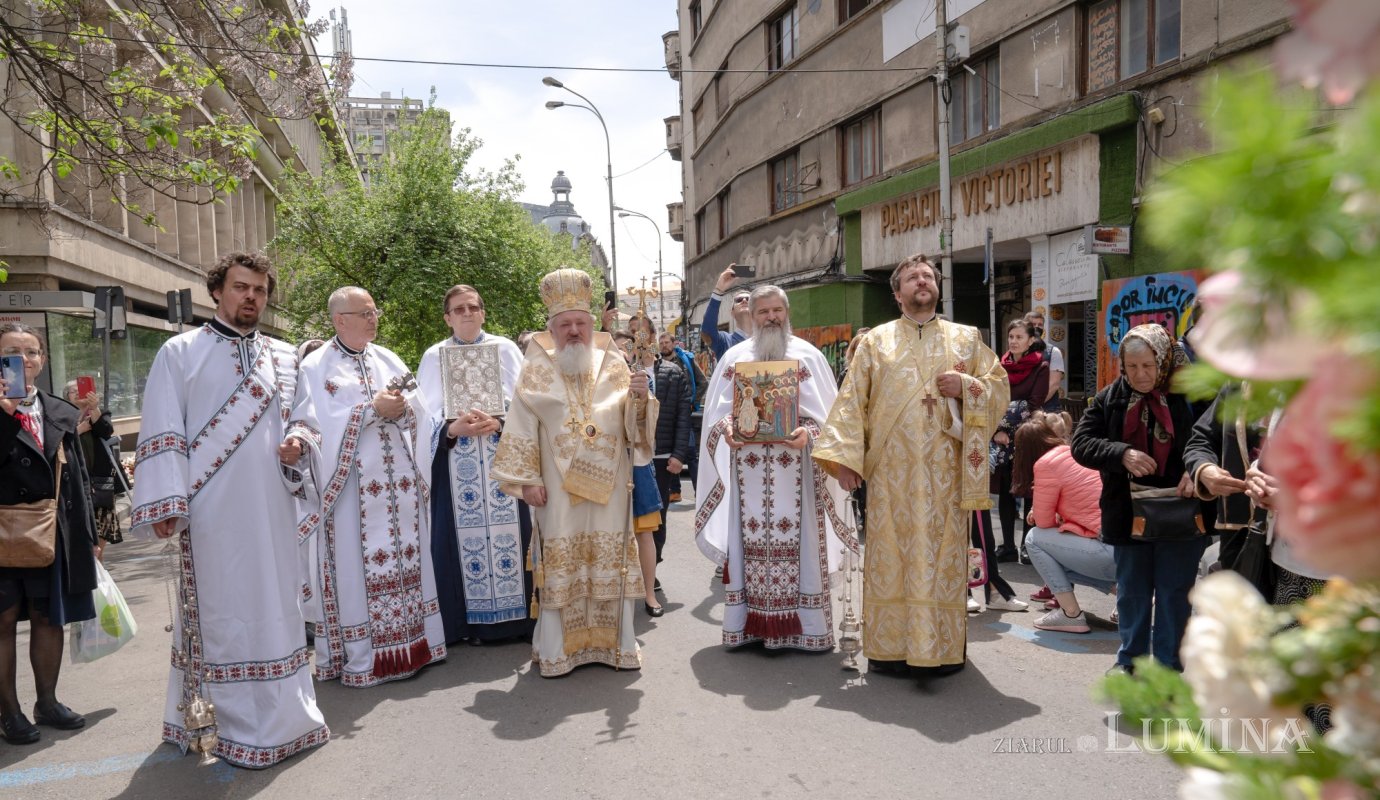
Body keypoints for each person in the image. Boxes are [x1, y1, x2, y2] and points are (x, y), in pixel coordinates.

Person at [132, 252, 327, 767]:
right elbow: (163, 427)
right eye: (241, 287)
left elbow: (307, 419)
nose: (251, 297)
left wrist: (298, 442)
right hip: (211, 514)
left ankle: (288, 718)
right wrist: (168, 501)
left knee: (278, 607)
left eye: (260, 290)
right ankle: (220, 723)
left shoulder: (285, 357)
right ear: (217, 290)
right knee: (221, 611)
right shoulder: (180, 352)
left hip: (274, 509)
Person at [814, 254, 1008, 676]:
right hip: (890, 477)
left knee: (941, 559)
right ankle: (889, 652)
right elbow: (852, 401)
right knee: (892, 559)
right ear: (898, 293)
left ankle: (942, 650)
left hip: (946, 477)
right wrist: (847, 460)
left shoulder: (967, 339)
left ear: (937, 287)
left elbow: (998, 387)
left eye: (928, 276)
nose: (922, 281)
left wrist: (967, 386)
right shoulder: (875, 342)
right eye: (912, 278)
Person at [490, 268, 657, 677]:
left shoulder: (614, 363)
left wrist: (641, 400)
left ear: (591, 324)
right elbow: (522, 424)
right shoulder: (536, 367)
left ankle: (616, 645)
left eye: (580, 322)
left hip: (610, 487)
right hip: (557, 489)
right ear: (551, 329)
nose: (574, 331)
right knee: (562, 562)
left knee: (609, 559)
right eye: (565, 324)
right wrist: (528, 481)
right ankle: (557, 651)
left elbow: (633, 429)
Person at [281, 287, 445, 686]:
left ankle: (414, 646)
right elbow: (311, 425)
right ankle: (365, 658)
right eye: (365, 313)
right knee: (355, 571)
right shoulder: (316, 367)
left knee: (408, 562)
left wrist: (402, 410)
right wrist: (371, 411)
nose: (374, 319)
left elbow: (422, 413)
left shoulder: (388, 358)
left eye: (375, 312)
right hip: (351, 493)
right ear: (340, 320)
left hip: (400, 490)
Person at [695, 285, 856, 652]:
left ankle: (806, 629)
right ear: (751, 316)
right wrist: (728, 430)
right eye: (763, 312)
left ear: (787, 313)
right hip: (748, 475)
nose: (771, 317)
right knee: (747, 544)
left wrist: (810, 433)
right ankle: (749, 627)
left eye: (776, 311)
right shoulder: (734, 359)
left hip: (800, 473)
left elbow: (831, 418)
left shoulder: (809, 357)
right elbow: (716, 416)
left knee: (803, 547)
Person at [1072, 323, 1208, 674]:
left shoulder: (1193, 395)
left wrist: (1197, 469)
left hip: (1181, 510)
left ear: (1162, 361)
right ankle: (1129, 660)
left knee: (1174, 593)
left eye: (1148, 365)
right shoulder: (1111, 397)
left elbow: (1213, 438)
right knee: (1132, 592)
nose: (1140, 374)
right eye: (1131, 366)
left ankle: (1167, 667)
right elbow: (1081, 443)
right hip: (1128, 512)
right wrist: (1121, 453)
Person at [416, 285, 533, 646]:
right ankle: (466, 625)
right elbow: (422, 416)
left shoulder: (506, 349)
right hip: (456, 464)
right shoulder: (433, 356)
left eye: (472, 307)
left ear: (483, 312)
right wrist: (451, 429)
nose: (466, 313)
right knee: (458, 544)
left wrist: (501, 422)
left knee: (516, 537)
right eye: (458, 309)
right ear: (447, 318)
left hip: (503, 460)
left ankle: (520, 622)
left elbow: (529, 404)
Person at [0, 324, 99, 745]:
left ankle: (47, 701)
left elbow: (77, 478)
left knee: (48, 616)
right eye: (11, 352)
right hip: (2, 534)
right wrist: (5, 417)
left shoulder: (59, 410)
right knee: (3, 621)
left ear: (42, 360)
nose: (24, 359)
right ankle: (9, 711)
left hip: (50, 532)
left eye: (32, 351)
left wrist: (90, 534)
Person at [1013, 412, 1114, 634]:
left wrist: (1044, 514)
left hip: (1108, 550)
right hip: (1123, 547)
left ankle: (1070, 614)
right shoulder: (1073, 452)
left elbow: (1043, 523)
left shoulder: (1045, 464)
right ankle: (1127, 593)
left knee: (1034, 539)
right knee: (1054, 554)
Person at [611, 328, 666, 617]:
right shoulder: (599, 381)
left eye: (625, 349)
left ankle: (649, 594)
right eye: (615, 349)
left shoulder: (640, 380)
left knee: (644, 532)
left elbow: (646, 423)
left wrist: (641, 395)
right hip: (607, 464)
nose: (620, 353)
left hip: (637, 463)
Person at [989, 318, 1050, 564]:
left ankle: (1027, 545)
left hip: (1028, 436)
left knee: (1029, 492)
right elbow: (991, 401)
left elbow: (1034, 404)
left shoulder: (1041, 366)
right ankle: (1007, 546)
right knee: (1006, 491)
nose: (1014, 341)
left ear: (1030, 340)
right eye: (1011, 337)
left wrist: (1002, 418)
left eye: (1019, 337)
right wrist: (996, 430)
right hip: (1003, 439)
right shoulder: (997, 368)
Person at [650, 326, 693, 605]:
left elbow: (682, 414)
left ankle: (651, 568)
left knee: (657, 516)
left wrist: (678, 454)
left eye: (644, 334)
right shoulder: (619, 372)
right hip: (628, 458)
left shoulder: (673, 372)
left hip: (662, 456)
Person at [63, 380, 124, 558]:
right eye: (73, 391)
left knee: (99, 543)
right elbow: (60, 440)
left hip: (100, 483)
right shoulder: (63, 415)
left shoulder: (99, 413)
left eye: (80, 389)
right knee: (82, 540)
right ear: (67, 397)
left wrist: (94, 408)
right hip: (76, 482)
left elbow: (106, 430)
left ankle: (99, 573)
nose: (77, 393)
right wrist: (79, 430)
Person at [700, 266, 753, 359]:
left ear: (756, 310)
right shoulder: (724, 341)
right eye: (739, 300)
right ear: (732, 312)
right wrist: (719, 290)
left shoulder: (764, 342)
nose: (744, 300)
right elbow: (707, 330)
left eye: (749, 299)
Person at [1023, 309, 1065, 409]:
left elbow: (1054, 385)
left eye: (1040, 325)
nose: (1037, 327)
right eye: (1033, 324)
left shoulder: (1053, 351)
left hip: (1047, 410)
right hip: (1020, 409)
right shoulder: (1017, 351)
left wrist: (1033, 405)